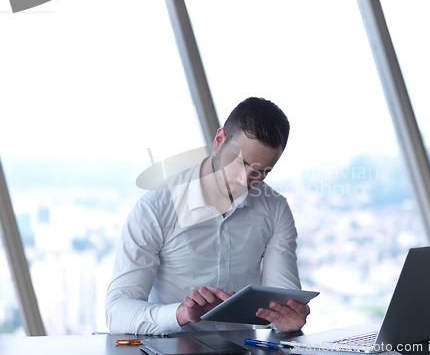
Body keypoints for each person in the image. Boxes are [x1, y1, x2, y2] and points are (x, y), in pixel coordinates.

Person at [105, 97, 310, 335]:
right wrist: (181, 313)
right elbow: (116, 312)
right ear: (219, 140)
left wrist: (289, 318)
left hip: (243, 350)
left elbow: (283, 303)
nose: (245, 181)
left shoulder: (275, 208)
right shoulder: (156, 208)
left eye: (261, 172)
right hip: (169, 346)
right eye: (240, 163)